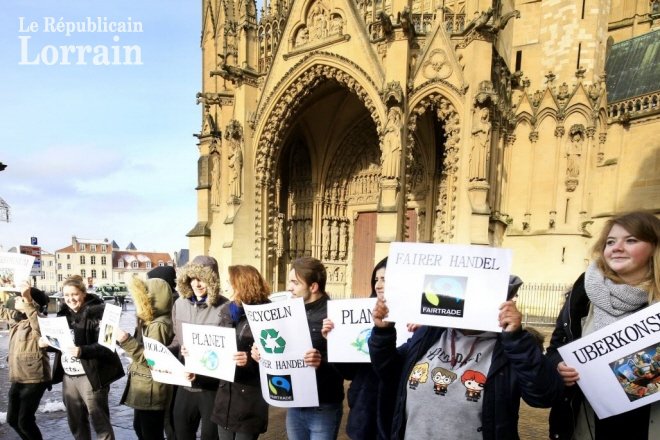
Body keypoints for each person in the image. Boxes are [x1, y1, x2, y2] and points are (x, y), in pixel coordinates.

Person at [368, 275, 562, 439]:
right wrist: (383, 333)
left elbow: (543, 396)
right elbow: (389, 372)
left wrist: (516, 339)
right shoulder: (429, 333)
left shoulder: (511, 347)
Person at [546, 211, 660, 439]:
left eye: (631, 240)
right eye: (610, 242)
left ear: (654, 248)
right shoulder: (583, 292)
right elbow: (556, 348)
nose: (617, 248)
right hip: (587, 423)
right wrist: (559, 366)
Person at [251, 257, 345, 440]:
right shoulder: (289, 312)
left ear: (313, 287)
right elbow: (282, 351)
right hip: (295, 404)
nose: (289, 287)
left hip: (323, 406)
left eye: (295, 282)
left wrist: (321, 362)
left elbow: (348, 368)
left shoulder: (334, 315)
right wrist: (261, 354)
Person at [321, 257, 392, 439]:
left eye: (384, 279)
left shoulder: (414, 321)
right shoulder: (360, 314)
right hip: (364, 411)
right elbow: (349, 372)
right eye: (376, 280)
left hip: (394, 413)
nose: (378, 285)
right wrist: (335, 341)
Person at [51, 275, 125, 440]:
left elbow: (107, 345)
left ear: (83, 294)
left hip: (91, 375)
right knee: (76, 422)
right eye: (67, 295)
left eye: (74, 294)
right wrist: (46, 343)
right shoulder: (63, 314)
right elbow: (59, 344)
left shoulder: (100, 312)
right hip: (69, 376)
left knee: (100, 422)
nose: (70, 299)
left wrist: (83, 351)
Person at [171, 255, 229, 440]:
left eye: (202, 279)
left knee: (210, 436)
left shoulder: (225, 307)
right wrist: (165, 353)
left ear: (212, 280)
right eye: (193, 278)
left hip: (211, 388)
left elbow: (227, 351)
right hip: (185, 385)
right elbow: (176, 339)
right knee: (181, 433)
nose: (196, 284)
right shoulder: (179, 304)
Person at [211, 265, 270, 440]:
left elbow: (277, 355)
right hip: (226, 396)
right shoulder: (227, 311)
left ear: (243, 285)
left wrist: (249, 360)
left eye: (231, 283)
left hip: (250, 398)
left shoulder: (267, 313)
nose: (227, 288)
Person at [116, 277, 175, 440]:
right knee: (141, 429)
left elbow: (153, 360)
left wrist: (126, 341)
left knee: (150, 433)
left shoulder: (158, 325)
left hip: (151, 389)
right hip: (145, 386)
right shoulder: (150, 321)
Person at [0, 281, 51, 440]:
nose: (16, 299)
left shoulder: (39, 321)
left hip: (34, 379)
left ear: (31, 302)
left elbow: (37, 322)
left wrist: (28, 299)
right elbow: (2, 312)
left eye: (20, 297)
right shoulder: (18, 319)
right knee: (12, 420)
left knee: (25, 421)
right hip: (18, 377)